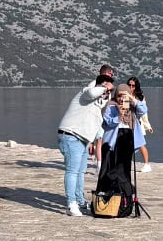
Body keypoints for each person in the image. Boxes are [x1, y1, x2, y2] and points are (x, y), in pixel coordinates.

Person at [57, 67, 115, 216]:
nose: (107, 92)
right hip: (70, 135)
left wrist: (93, 142)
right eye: (105, 88)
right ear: (99, 85)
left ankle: (80, 201)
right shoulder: (86, 93)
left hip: (82, 139)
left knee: (81, 172)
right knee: (73, 171)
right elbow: (92, 91)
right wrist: (103, 87)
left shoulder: (95, 106)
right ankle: (71, 204)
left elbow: (97, 125)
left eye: (109, 91)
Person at [95, 83, 148, 217]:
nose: (121, 99)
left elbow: (144, 110)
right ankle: (106, 199)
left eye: (123, 96)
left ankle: (124, 201)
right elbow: (107, 122)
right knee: (109, 171)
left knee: (124, 172)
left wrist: (131, 98)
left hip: (127, 141)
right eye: (119, 95)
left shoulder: (133, 106)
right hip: (112, 143)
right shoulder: (110, 106)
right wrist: (119, 114)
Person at [127, 77, 153, 173]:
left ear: (136, 86)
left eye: (133, 85)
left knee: (141, 144)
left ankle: (147, 164)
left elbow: (144, 112)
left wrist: (148, 126)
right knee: (128, 144)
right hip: (127, 123)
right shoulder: (125, 94)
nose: (131, 87)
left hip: (138, 123)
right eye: (129, 85)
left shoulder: (140, 97)